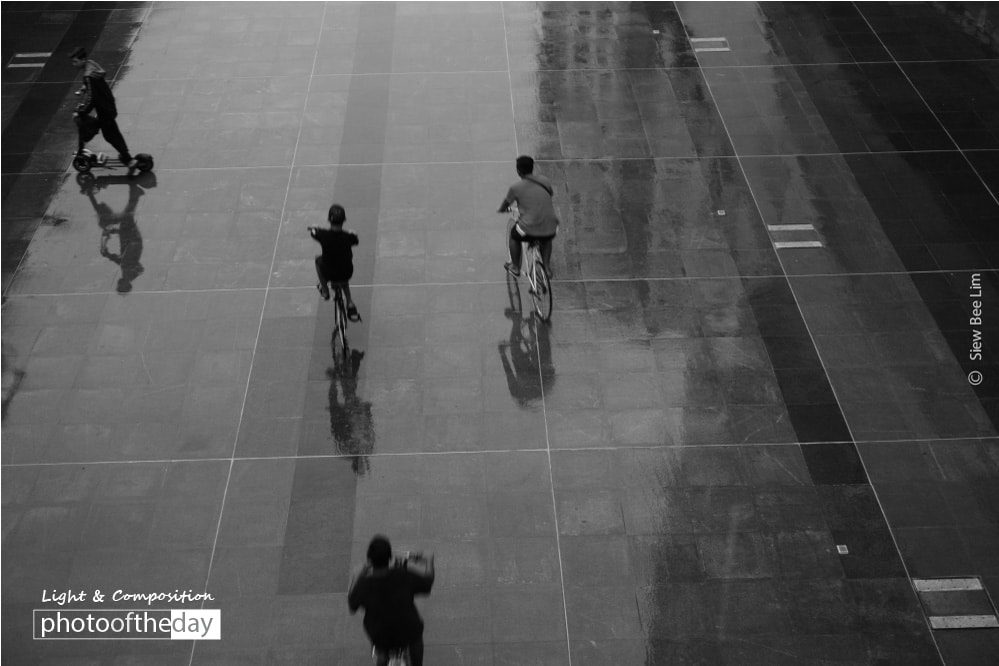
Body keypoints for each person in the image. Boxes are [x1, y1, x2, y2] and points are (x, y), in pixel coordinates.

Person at [348, 536, 434, 666]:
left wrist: (356, 575)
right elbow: (427, 584)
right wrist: (429, 560)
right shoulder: (403, 575)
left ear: (369, 559)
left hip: (379, 633)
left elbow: (352, 606)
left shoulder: (364, 584)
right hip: (408, 630)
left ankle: (382, 657)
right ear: (389, 558)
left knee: (381, 649)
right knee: (416, 639)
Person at [70, 47, 137, 174]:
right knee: (111, 132)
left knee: (110, 134)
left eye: (75, 61)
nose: (74, 65)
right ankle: (126, 156)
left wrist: (81, 111)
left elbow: (91, 98)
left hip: (104, 108)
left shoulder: (88, 76)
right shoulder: (91, 65)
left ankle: (129, 160)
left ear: (83, 60)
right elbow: (94, 85)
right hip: (107, 104)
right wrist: (85, 87)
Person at [498, 155, 559, 277]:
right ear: (532, 168)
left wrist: (502, 209)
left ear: (518, 170)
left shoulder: (516, 188)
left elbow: (506, 203)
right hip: (552, 225)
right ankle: (546, 268)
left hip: (528, 228)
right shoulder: (544, 181)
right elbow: (550, 193)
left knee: (514, 235)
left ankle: (515, 267)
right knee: (546, 239)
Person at [308, 203, 360, 321]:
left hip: (329, 273)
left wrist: (314, 228)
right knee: (343, 278)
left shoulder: (323, 235)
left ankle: (325, 292)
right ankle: (350, 303)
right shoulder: (348, 237)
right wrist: (353, 233)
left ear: (329, 220)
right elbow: (355, 240)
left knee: (318, 260)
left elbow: (314, 233)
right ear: (344, 220)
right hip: (347, 272)